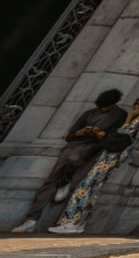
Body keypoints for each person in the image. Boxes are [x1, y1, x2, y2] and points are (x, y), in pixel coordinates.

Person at [10, 88, 128, 233]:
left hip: (94, 149)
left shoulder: (120, 114)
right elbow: (70, 136)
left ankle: (68, 218)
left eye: (106, 107)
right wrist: (82, 132)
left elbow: (117, 136)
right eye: (101, 107)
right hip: (74, 145)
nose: (102, 110)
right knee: (50, 182)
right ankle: (31, 220)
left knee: (76, 170)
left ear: (114, 103)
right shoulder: (89, 113)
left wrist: (100, 134)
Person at [45, 95, 139, 234]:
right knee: (92, 187)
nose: (136, 107)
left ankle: (71, 222)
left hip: (111, 156)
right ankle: (77, 223)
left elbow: (123, 132)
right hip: (111, 156)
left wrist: (129, 117)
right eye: (135, 104)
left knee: (87, 186)